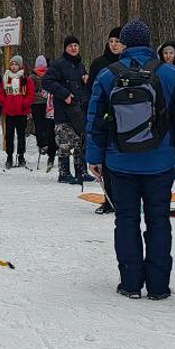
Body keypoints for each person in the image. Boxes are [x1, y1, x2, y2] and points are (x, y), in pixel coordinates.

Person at [86, 20, 175, 300]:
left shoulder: (108, 75)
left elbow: (95, 120)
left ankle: (130, 283)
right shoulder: (171, 73)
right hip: (160, 162)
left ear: (123, 43)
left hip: (119, 161)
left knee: (126, 220)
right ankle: (158, 286)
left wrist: (94, 158)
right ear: (149, 42)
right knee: (159, 220)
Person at [86, 29, 126, 213]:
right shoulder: (99, 64)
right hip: (106, 119)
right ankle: (109, 199)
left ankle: (126, 198)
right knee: (107, 161)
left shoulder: (130, 63)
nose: (114, 44)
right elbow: (91, 93)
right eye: (111, 41)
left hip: (128, 118)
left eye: (118, 40)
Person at [45, 36, 92, 184]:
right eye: (70, 45)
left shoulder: (80, 65)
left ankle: (81, 171)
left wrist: (86, 82)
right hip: (63, 110)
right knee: (65, 143)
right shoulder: (58, 64)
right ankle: (64, 173)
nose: (73, 48)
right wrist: (64, 94)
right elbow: (47, 82)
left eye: (76, 45)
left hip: (79, 110)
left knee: (80, 141)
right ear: (65, 48)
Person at [0, 54, 36, 169]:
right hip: (9, 112)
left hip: (21, 112)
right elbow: (1, 94)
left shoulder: (26, 79)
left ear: (20, 66)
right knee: (9, 135)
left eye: (16, 64)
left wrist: (23, 103)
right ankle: (9, 156)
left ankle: (21, 155)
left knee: (21, 135)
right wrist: (6, 102)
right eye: (12, 64)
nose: (14, 67)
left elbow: (30, 95)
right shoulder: (6, 78)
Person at [30, 54, 55, 164]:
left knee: (40, 125)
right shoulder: (47, 75)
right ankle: (45, 143)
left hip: (39, 103)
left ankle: (43, 144)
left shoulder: (32, 76)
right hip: (44, 103)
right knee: (45, 125)